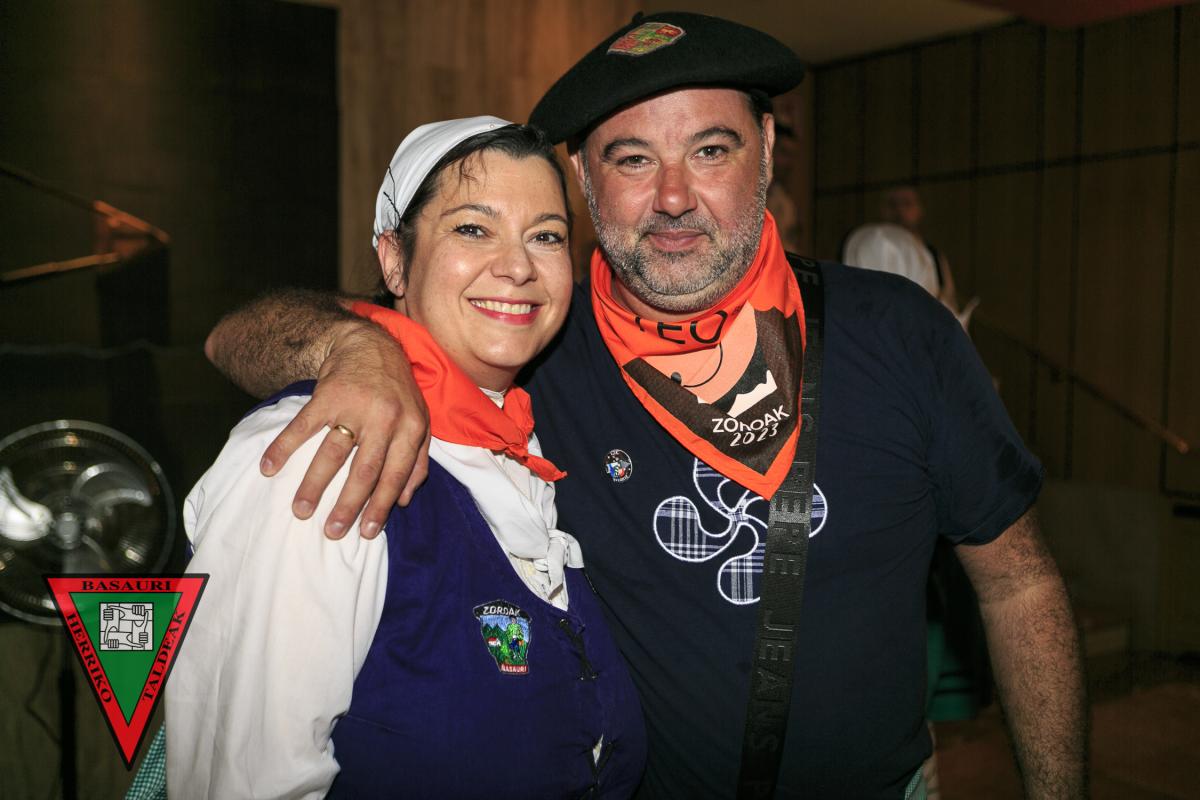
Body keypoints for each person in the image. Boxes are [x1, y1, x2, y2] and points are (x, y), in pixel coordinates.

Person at [204, 13, 1087, 799]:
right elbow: (239, 336)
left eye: (710, 150)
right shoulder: (538, 345)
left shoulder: (901, 333)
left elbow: (1020, 585)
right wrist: (348, 348)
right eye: (632, 159)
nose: (671, 196)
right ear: (586, 178)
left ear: (766, 149)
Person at [163, 118, 646, 799]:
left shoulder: (534, 441)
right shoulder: (326, 450)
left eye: (546, 236)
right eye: (473, 229)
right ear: (393, 260)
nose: (517, 266)